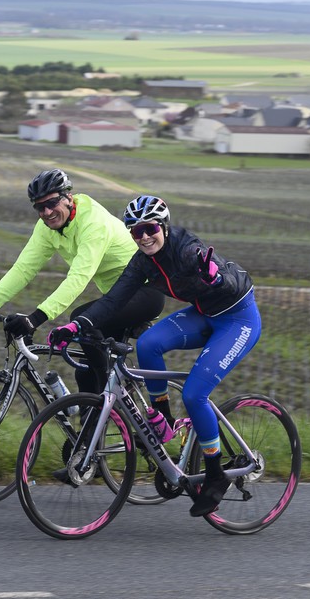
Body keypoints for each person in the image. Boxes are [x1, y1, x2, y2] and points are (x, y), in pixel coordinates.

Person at [48, 194, 260, 517]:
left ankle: (216, 474)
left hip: (238, 318)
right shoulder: (143, 261)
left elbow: (229, 282)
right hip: (204, 313)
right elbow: (112, 301)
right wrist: (76, 326)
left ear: (164, 226)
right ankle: (164, 419)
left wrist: (215, 277)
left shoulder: (187, 250)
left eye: (150, 229)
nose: (144, 237)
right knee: (147, 344)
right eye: (136, 231)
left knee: (194, 394)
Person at [0, 169, 165, 394]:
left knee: (82, 320)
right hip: (114, 298)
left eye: (52, 203)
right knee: (84, 374)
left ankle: (109, 394)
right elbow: (24, 269)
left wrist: (35, 319)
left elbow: (78, 278)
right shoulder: (47, 228)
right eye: (39, 207)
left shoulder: (93, 222)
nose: (47, 212)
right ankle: (97, 411)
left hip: (146, 292)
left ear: (68, 198)